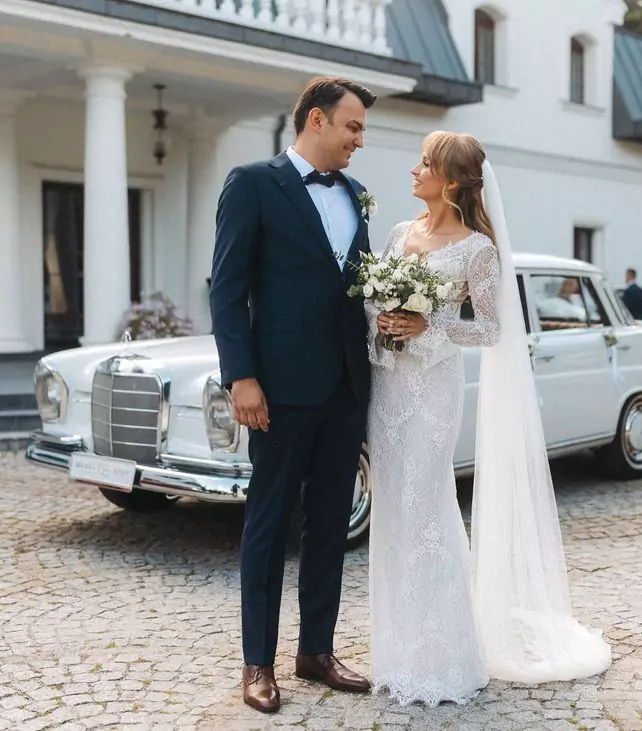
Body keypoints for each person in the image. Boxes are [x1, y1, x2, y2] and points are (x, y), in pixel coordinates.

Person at [366, 131, 612, 707]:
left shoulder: (479, 249)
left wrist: (431, 327)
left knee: (429, 507)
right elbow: (376, 301)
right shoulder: (401, 234)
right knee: (394, 510)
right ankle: (398, 651)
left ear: (451, 180)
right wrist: (384, 320)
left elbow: (493, 330)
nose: (413, 170)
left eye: (424, 164)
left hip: (433, 393)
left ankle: (445, 657)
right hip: (391, 387)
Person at [209, 76, 376, 714]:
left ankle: (316, 651)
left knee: (332, 520)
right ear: (315, 120)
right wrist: (241, 375)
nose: (360, 141)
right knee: (269, 521)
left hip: (344, 385)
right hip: (276, 389)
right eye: (352, 127)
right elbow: (225, 288)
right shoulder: (253, 183)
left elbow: (355, 290)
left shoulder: (358, 195)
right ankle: (258, 664)